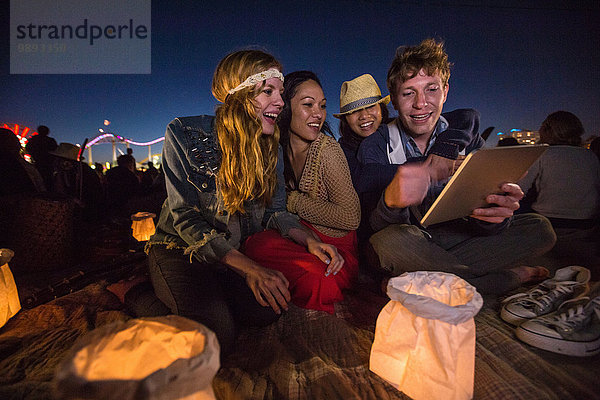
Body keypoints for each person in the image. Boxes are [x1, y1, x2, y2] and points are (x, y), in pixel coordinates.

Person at [144, 50, 343, 355]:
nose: (279, 101)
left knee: (271, 308)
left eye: (280, 92)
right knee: (214, 339)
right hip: (182, 250)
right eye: (268, 92)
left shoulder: (269, 146)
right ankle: (138, 294)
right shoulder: (184, 132)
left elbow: (275, 212)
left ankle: (205, 298)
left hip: (228, 257)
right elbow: (184, 217)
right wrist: (250, 269)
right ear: (239, 95)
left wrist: (310, 240)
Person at [357, 38, 556, 295]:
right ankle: (505, 278)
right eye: (408, 93)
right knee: (387, 243)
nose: (421, 103)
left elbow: (483, 221)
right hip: (409, 242)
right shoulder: (376, 145)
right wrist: (390, 203)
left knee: (540, 229)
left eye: (431, 90)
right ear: (394, 100)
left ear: (446, 92)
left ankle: (422, 282)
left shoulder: (464, 137)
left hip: (455, 240)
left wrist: (494, 217)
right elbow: (376, 228)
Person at [244, 71, 360, 314]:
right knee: (255, 245)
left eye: (322, 106)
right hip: (299, 237)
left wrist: (293, 200)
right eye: (308, 105)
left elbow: (351, 217)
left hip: (334, 247)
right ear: (286, 109)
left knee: (320, 281)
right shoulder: (277, 150)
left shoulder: (327, 150)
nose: (318, 114)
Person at [518, 111, 600, 268]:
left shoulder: (542, 153)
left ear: (548, 130)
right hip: (588, 223)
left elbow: (520, 190)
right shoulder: (590, 156)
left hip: (551, 223)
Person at [25, 125, 58, 190]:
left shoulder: (34, 139)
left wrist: (33, 154)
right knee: (48, 180)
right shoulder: (50, 140)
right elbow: (56, 150)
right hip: (48, 163)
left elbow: (27, 148)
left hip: (37, 161)